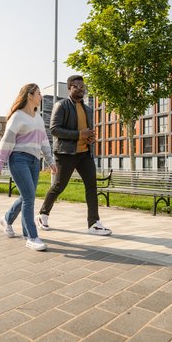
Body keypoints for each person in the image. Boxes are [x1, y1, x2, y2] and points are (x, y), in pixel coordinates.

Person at [38, 75, 112, 236]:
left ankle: (93, 224)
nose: (81, 89)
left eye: (83, 86)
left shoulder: (88, 109)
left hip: (84, 153)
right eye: (77, 86)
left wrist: (90, 137)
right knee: (59, 186)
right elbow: (54, 129)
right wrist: (80, 134)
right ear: (70, 88)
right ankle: (43, 214)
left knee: (91, 187)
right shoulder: (61, 105)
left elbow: (87, 131)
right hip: (66, 153)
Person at [0, 83, 57, 251]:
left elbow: (44, 141)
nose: (41, 97)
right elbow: (6, 141)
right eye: (38, 93)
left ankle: (7, 219)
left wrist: (50, 161)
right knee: (29, 197)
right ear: (29, 95)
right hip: (19, 159)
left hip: (35, 161)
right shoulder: (17, 116)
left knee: (26, 196)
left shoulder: (37, 117)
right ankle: (31, 236)